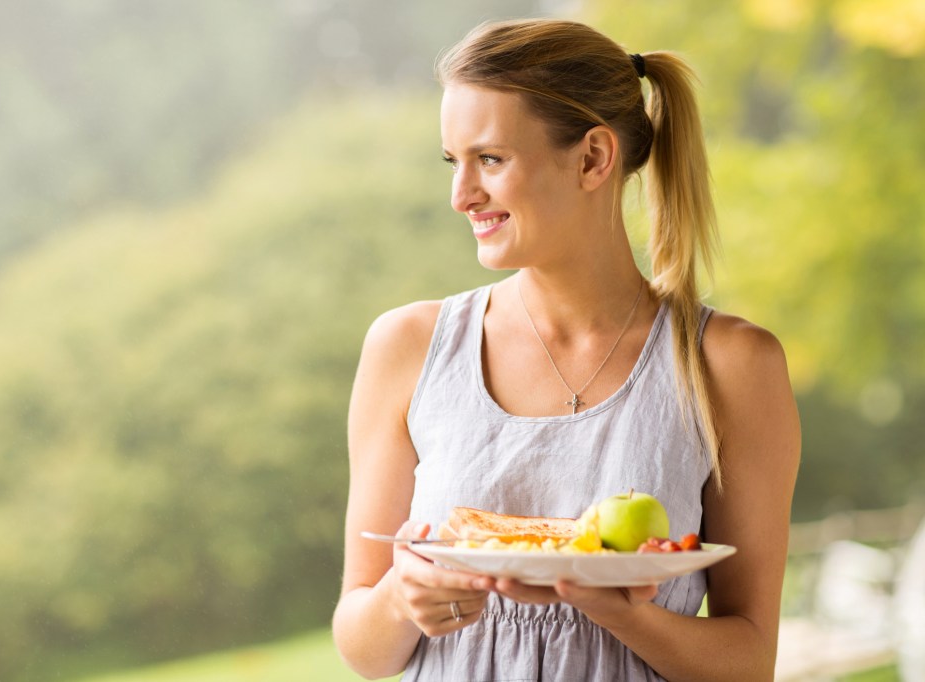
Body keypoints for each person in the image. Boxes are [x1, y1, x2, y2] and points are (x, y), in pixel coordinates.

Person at [332, 18, 800, 682]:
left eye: (489, 160)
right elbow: (361, 646)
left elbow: (748, 662)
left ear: (592, 158)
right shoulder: (407, 347)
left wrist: (618, 611)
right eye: (452, 162)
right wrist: (400, 598)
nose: (460, 195)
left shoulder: (731, 365)